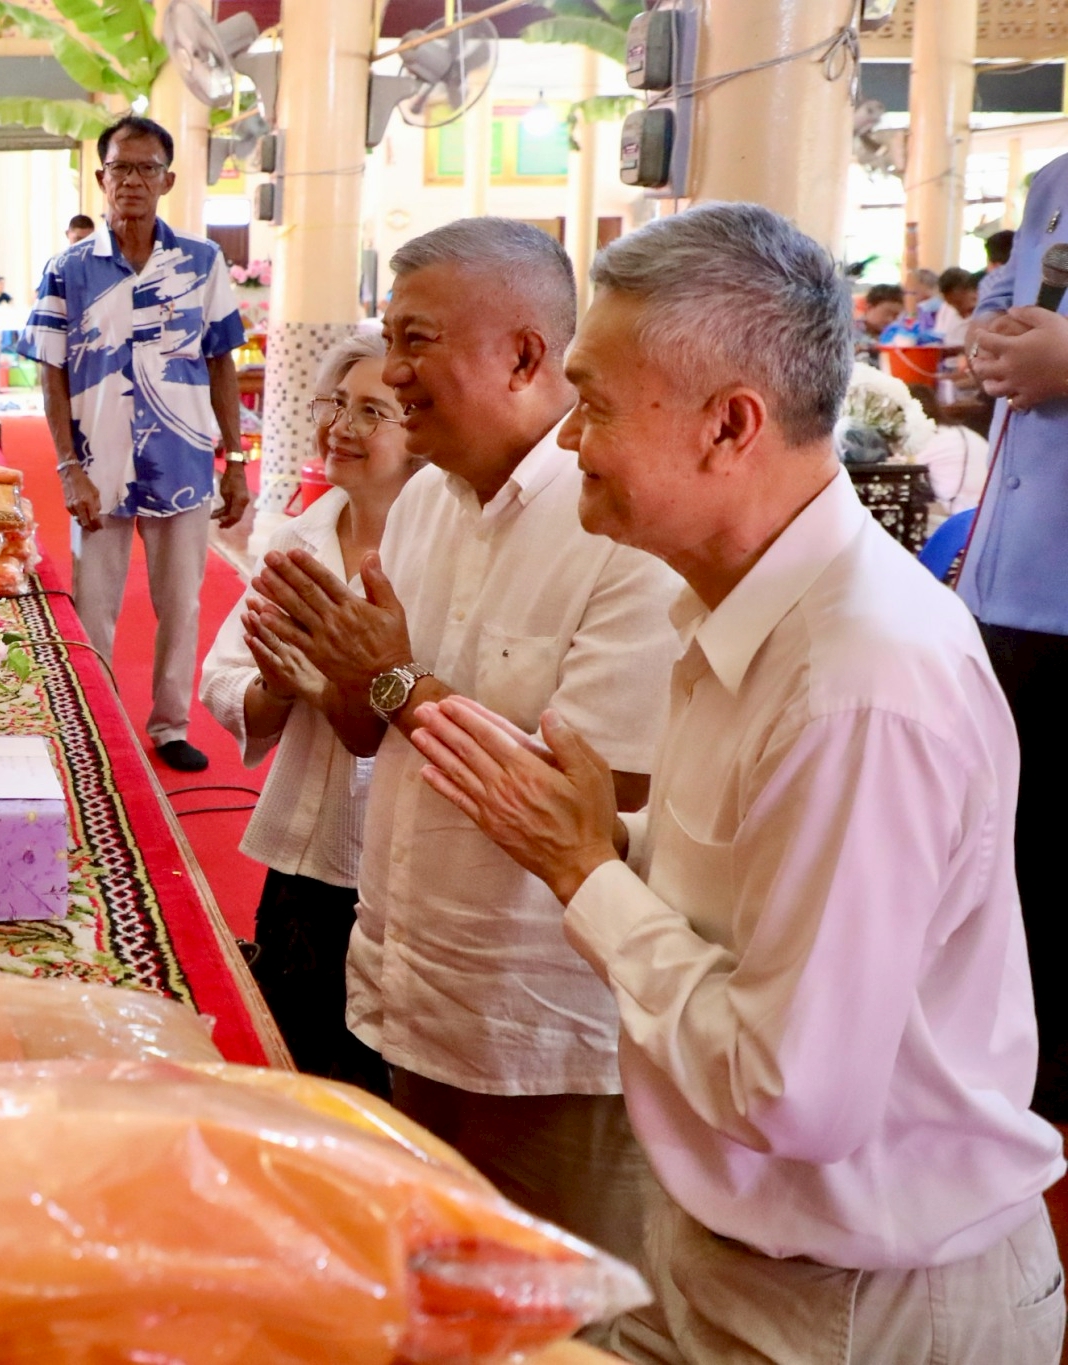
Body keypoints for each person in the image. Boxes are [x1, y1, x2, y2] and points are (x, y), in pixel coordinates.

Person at [409, 201, 1065, 1364]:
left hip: (854, 1305)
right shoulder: (740, 615)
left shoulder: (855, 683)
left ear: (727, 425)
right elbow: (743, 918)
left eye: (592, 405)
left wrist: (582, 874)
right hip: (738, 1252)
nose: (567, 440)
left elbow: (792, 1094)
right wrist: (608, 847)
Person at [246, 218, 683, 1271]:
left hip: (540, 1023)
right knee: (430, 1288)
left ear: (524, 356)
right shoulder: (424, 506)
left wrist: (393, 679)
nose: (390, 372)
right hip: (406, 987)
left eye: (415, 341)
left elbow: (599, 792)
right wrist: (322, 666)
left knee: (551, 1305)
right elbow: (368, 732)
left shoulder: (616, 525)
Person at [200, 334, 418, 1086]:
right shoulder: (301, 537)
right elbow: (225, 677)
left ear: (420, 430)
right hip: (302, 852)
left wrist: (336, 688)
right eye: (337, 405)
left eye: (373, 412)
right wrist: (281, 686)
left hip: (390, 863)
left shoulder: (438, 551)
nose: (342, 428)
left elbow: (415, 714)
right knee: (289, 1059)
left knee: (367, 1078)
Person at [18, 115, 247, 774]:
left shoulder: (202, 263)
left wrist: (235, 461)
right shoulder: (67, 270)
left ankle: (171, 725)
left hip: (183, 462)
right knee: (94, 607)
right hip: (100, 466)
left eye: (148, 168)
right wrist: (68, 466)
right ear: (101, 177)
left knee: (182, 604)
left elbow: (221, 362)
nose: (133, 181)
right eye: (121, 167)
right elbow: (52, 373)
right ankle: (98, 726)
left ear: (167, 181)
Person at [961, 149, 1068, 1123]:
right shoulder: (1053, 180)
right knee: (1006, 862)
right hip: (1005, 589)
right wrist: (986, 343)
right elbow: (1002, 305)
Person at [908, 382, 989, 527]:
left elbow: (901, 466)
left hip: (961, 515)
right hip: (985, 510)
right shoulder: (962, 432)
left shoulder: (929, 438)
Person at [934, 265, 979, 349]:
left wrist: (958, 350)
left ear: (974, 292)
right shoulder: (945, 308)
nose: (959, 312)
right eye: (953, 305)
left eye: (959, 303)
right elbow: (939, 337)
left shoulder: (987, 312)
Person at [855, 282, 903, 356]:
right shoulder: (849, 331)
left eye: (897, 316)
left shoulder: (899, 335)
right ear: (869, 307)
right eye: (887, 313)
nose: (891, 320)